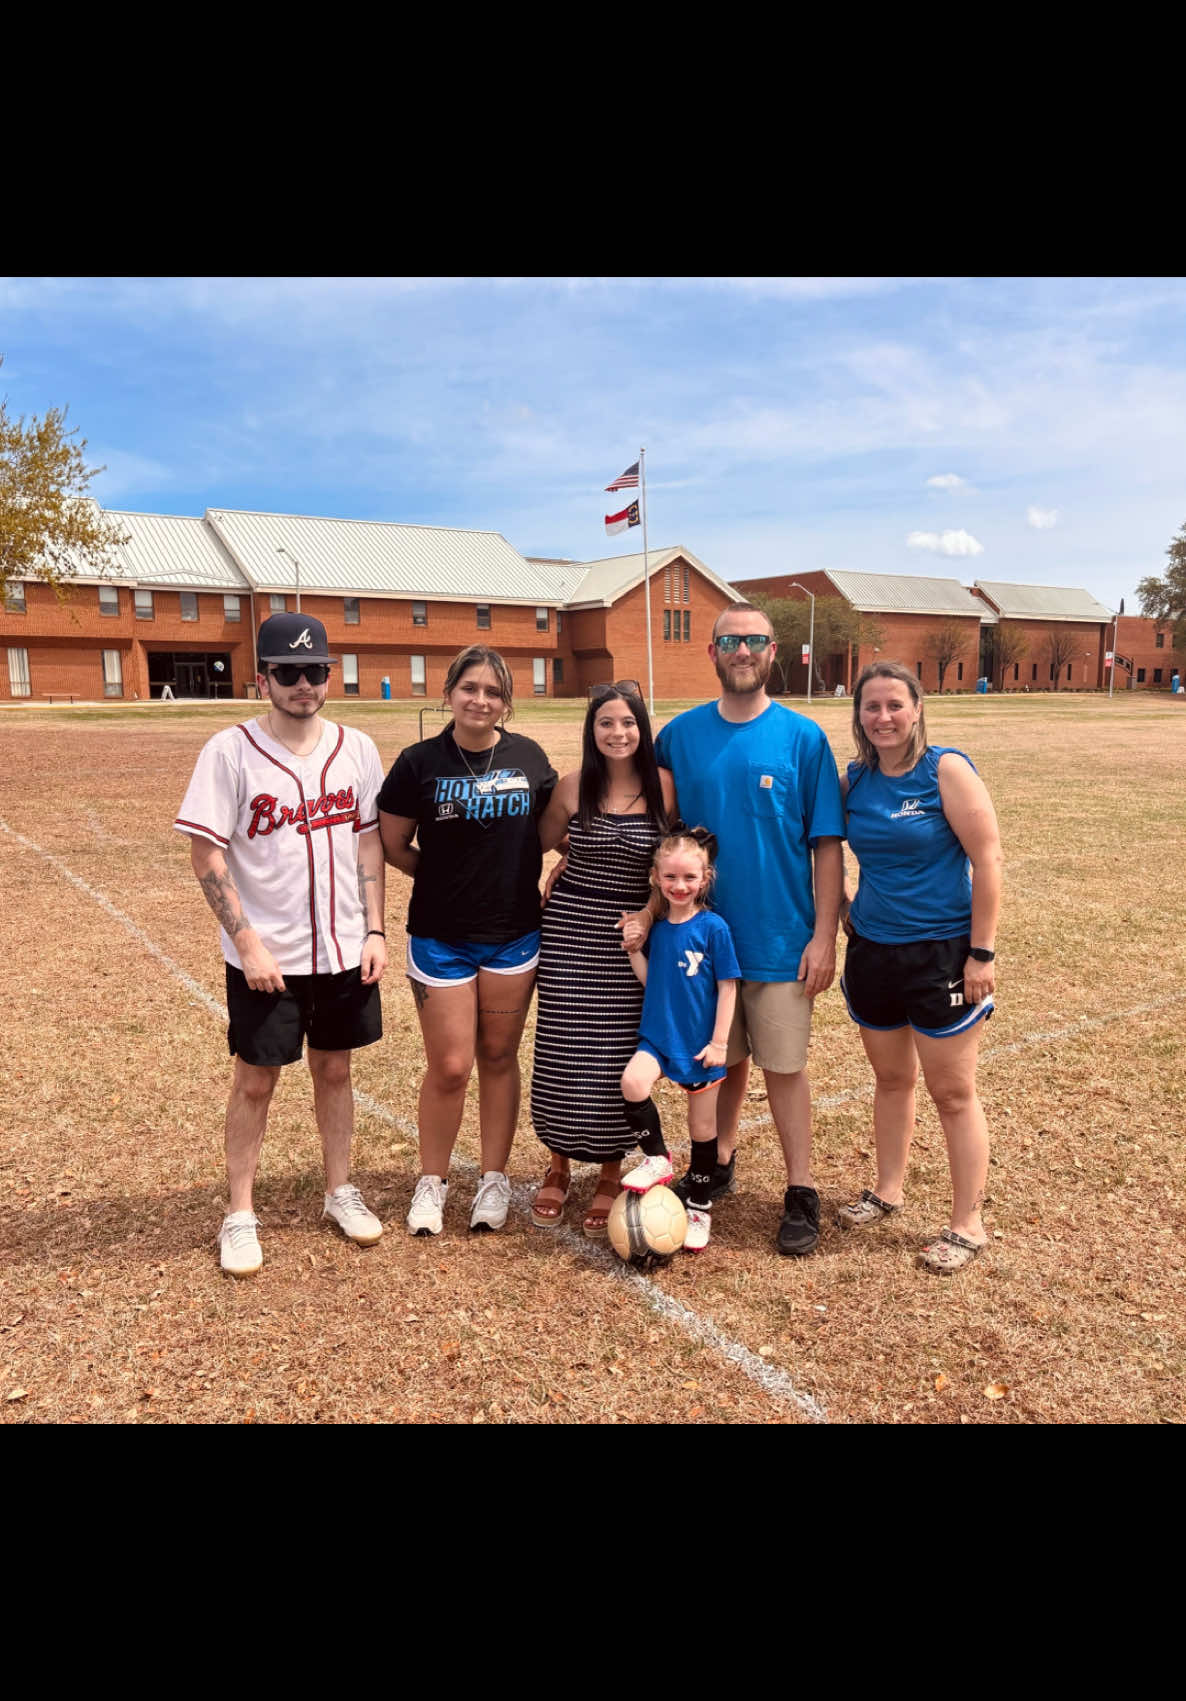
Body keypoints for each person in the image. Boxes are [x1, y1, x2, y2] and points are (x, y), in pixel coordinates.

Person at [175, 612, 388, 1278]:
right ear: (263, 675)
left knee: (336, 1070)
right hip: (266, 957)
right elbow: (207, 854)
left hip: (343, 947)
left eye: (316, 670)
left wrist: (376, 927)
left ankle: (339, 1190)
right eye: (289, 672)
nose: (304, 684)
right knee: (256, 1080)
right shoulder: (230, 751)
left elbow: (368, 840)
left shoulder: (356, 747)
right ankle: (240, 1212)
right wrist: (247, 941)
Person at [637, 603, 845, 1257]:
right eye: (731, 640)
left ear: (773, 650)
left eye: (754, 639)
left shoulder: (803, 738)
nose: (743, 649)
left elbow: (828, 845)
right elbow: (647, 825)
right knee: (717, 1063)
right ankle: (718, 1158)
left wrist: (824, 934)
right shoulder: (679, 736)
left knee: (783, 1066)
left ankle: (801, 1190)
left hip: (783, 939)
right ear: (713, 651)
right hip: (703, 939)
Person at [378, 646, 557, 1237]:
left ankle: (493, 1178)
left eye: (494, 692)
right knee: (451, 1066)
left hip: (512, 935)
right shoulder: (418, 762)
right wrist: (440, 876)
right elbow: (394, 843)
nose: (481, 700)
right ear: (449, 691)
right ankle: (432, 1181)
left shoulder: (528, 757)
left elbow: (551, 830)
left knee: (500, 1056)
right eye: (470, 688)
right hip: (440, 936)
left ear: (507, 702)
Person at [837, 660, 1002, 1273]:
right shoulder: (854, 779)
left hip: (943, 952)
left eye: (894, 706)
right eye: (871, 707)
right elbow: (821, 848)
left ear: (918, 708)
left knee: (954, 1093)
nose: (882, 717)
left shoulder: (946, 770)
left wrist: (981, 952)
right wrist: (847, 908)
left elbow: (988, 860)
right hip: (874, 951)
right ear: (859, 715)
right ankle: (887, 1190)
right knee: (891, 1080)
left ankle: (968, 1223)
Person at [530, 681, 676, 1235]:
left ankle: (612, 1170)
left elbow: (674, 860)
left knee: (615, 1051)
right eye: (606, 724)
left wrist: (650, 909)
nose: (618, 734)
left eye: (628, 723)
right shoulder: (572, 788)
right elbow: (541, 842)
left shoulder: (664, 786)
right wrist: (568, 861)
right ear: (591, 732)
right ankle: (559, 1163)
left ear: (643, 729)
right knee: (564, 1048)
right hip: (569, 934)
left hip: (629, 938)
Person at [620, 829, 740, 1251]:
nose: (680, 886)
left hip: (699, 1046)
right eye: (670, 877)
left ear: (705, 878)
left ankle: (700, 1206)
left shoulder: (714, 928)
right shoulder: (659, 930)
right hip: (658, 1037)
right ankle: (657, 1158)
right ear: (655, 877)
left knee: (702, 1127)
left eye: (689, 877)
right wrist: (634, 948)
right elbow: (654, 982)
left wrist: (720, 1043)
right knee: (632, 1083)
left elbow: (728, 987)